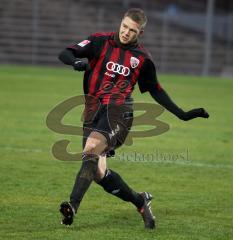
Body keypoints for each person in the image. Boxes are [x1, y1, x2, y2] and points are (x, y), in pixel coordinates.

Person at [58, 8, 209, 230]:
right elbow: (65, 53)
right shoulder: (100, 41)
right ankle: (140, 201)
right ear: (121, 23)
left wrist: (183, 115)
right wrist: (75, 62)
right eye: (125, 27)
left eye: (132, 30)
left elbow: (156, 90)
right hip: (92, 111)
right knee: (98, 173)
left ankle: (72, 206)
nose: (126, 32)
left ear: (141, 32)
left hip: (120, 112)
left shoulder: (142, 59)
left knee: (91, 148)